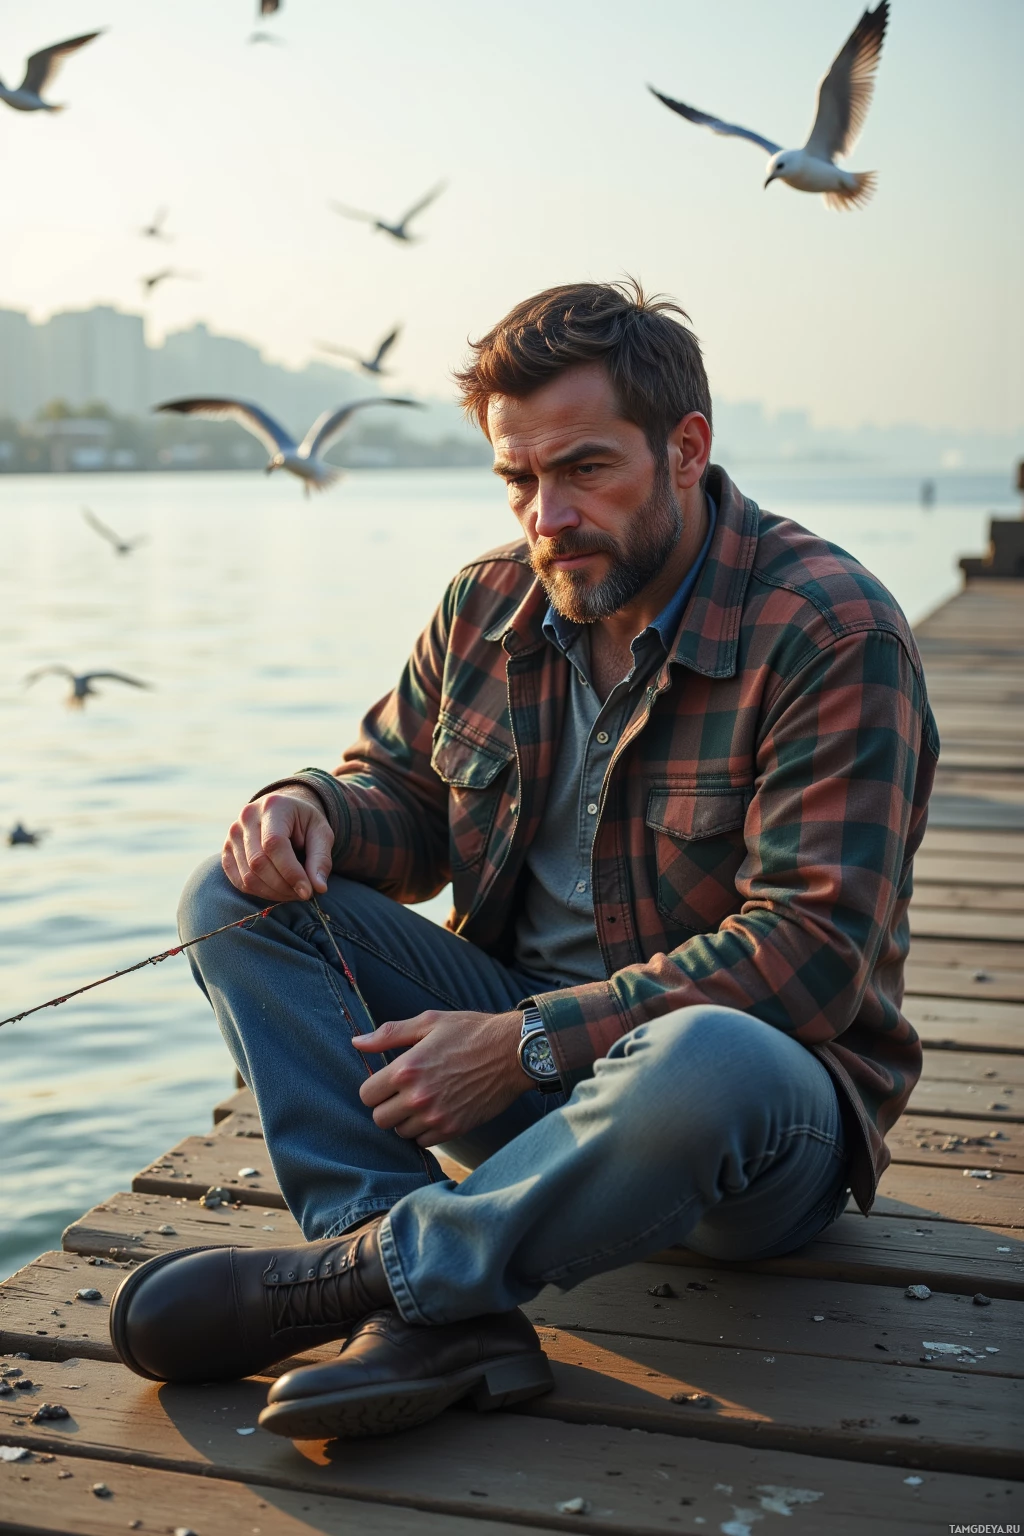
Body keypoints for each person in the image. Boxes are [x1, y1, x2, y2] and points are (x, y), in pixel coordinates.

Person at [109, 280, 937, 1441]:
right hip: (505, 1070)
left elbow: (810, 956)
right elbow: (401, 800)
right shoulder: (487, 600)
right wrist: (310, 811)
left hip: (744, 1125)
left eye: (585, 469)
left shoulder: (829, 630)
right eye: (518, 479)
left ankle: (359, 1279)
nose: (545, 515)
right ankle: (440, 1310)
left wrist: (527, 1044)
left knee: (703, 1055)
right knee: (232, 897)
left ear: (685, 447)